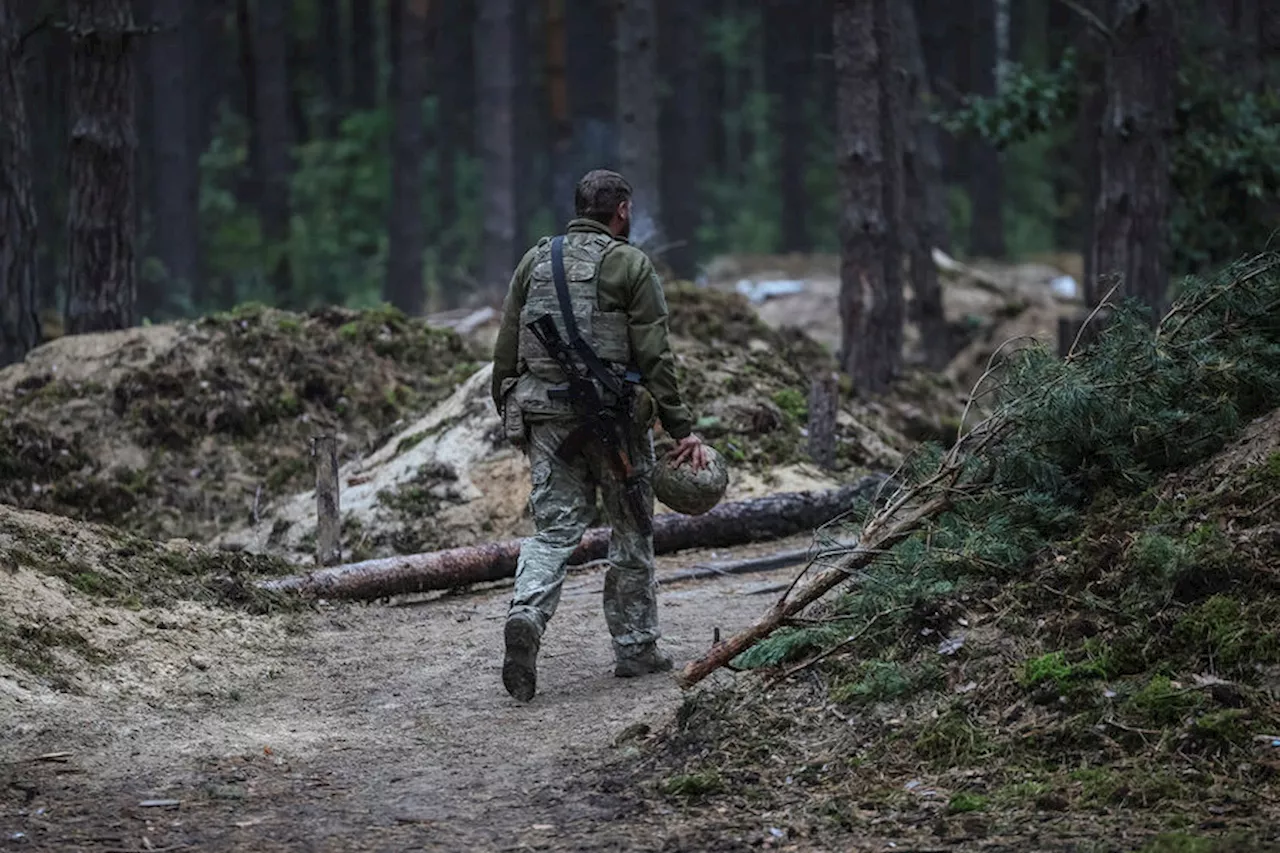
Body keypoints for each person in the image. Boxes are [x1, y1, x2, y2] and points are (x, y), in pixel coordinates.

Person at [491, 169, 708, 703]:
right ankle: (635, 648)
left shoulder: (535, 260)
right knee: (631, 530)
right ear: (623, 210)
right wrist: (682, 429)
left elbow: (506, 344)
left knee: (553, 533)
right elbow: (655, 356)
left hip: (547, 419)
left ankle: (527, 614)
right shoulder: (631, 264)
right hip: (617, 424)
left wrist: (510, 405)